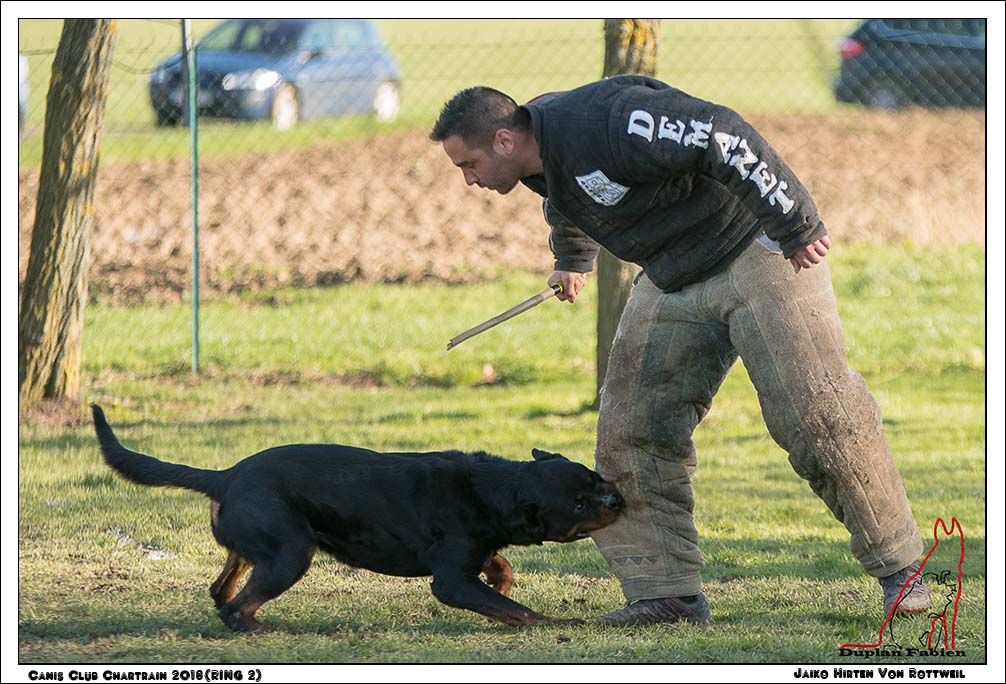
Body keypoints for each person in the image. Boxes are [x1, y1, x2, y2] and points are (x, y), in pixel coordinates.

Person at [430, 75, 932, 626]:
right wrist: (573, 257)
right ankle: (667, 593)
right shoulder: (537, 151)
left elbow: (721, 134)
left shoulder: (609, 120)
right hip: (672, 275)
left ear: (504, 139)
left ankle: (900, 570)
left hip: (756, 250)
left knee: (817, 415)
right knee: (630, 434)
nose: (467, 180)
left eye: (467, 164)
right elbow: (568, 193)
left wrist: (795, 221)